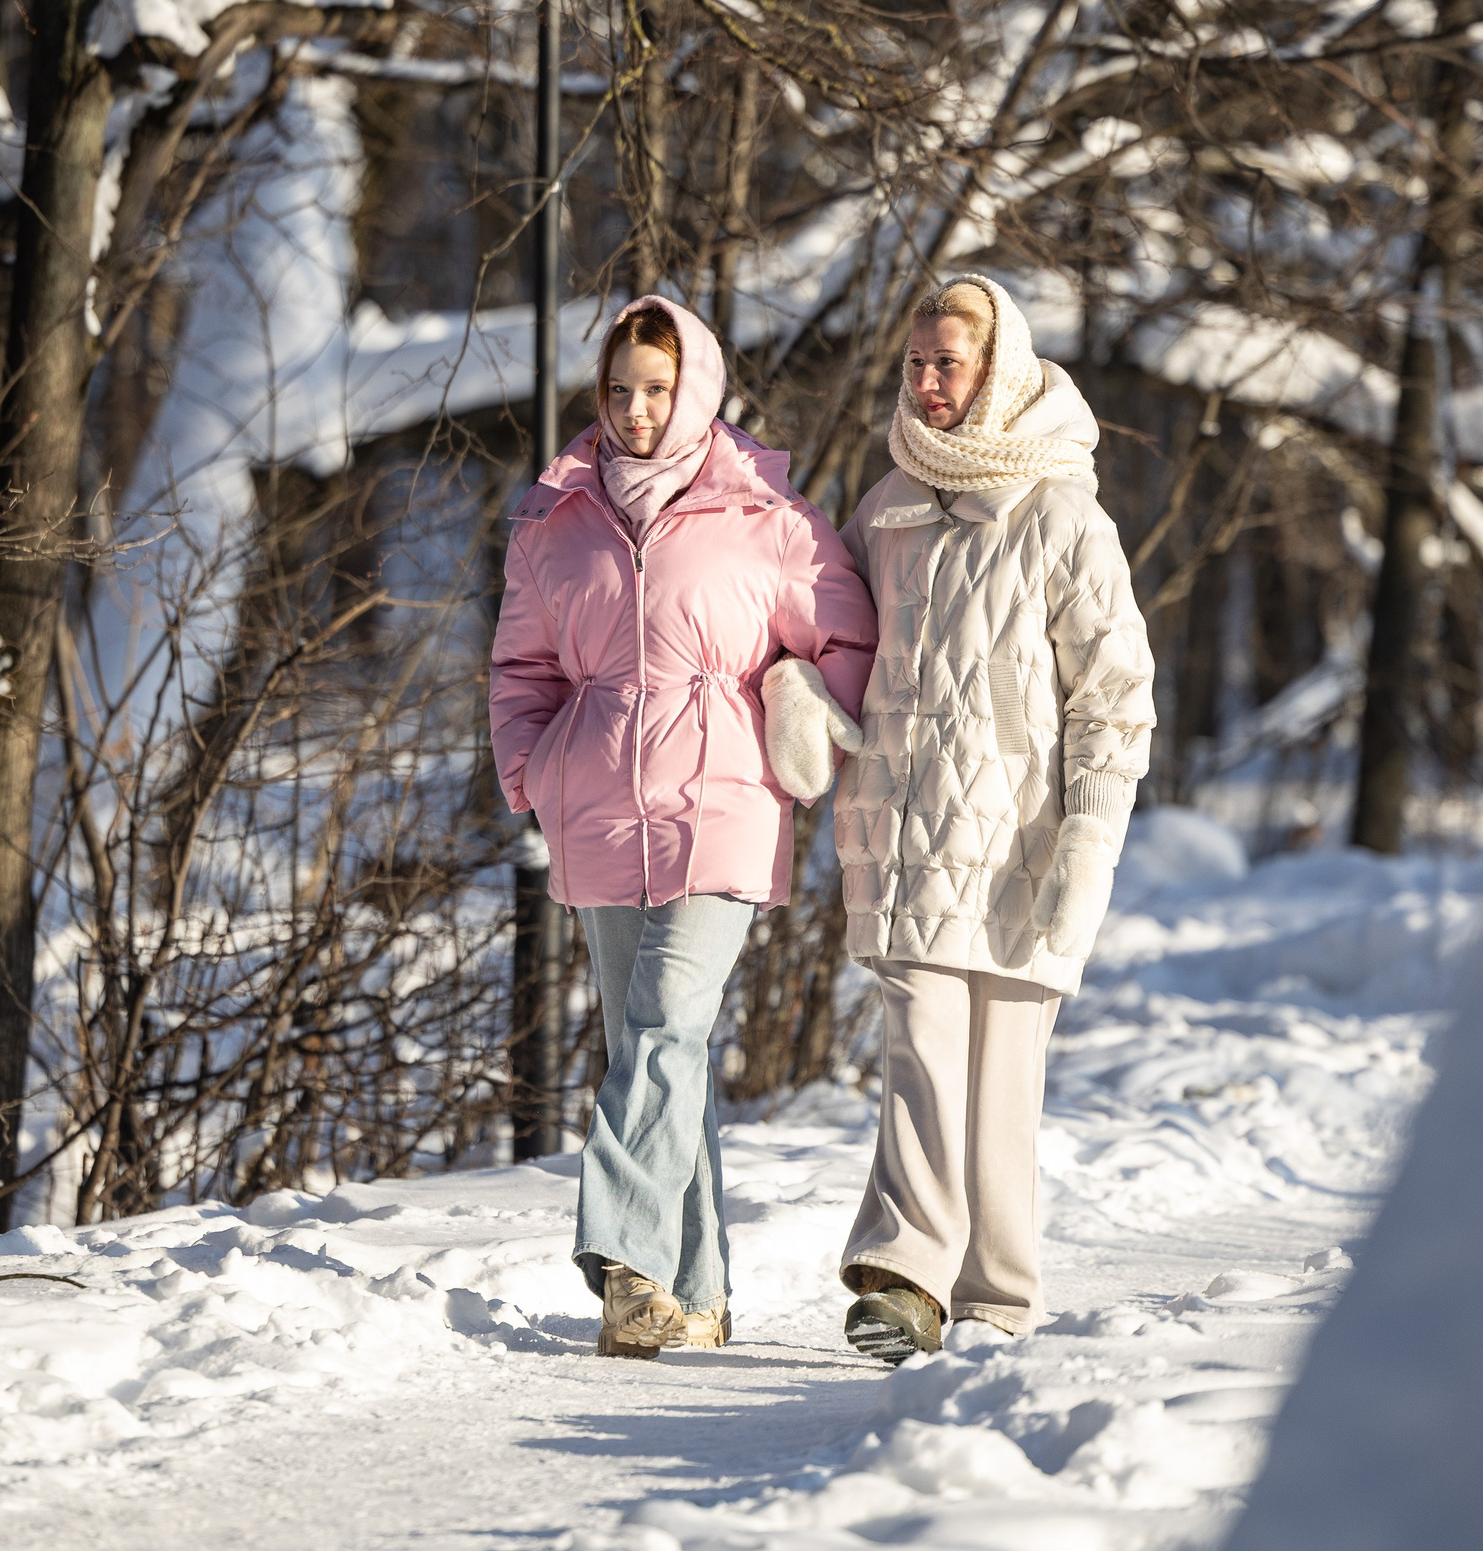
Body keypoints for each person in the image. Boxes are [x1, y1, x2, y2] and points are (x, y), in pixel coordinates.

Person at [490, 295, 875, 1357]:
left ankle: (621, 1255)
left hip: (725, 800)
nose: (635, 410)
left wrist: (801, 711)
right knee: (654, 1050)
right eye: (619, 389)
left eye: (657, 389)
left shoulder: (767, 515)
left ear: (695, 388)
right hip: (597, 806)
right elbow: (520, 664)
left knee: (664, 1023)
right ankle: (695, 1296)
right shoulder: (556, 518)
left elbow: (847, 640)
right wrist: (532, 768)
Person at [832, 273, 1155, 1361]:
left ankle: (996, 1294)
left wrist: (1091, 836)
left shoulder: (1062, 514)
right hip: (904, 825)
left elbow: (1115, 694)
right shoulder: (886, 506)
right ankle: (906, 1275)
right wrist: (803, 700)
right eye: (916, 362)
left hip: (1024, 837)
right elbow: (833, 638)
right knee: (921, 1045)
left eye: (949, 363)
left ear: (998, 368)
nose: (928, 383)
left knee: (1002, 1076)